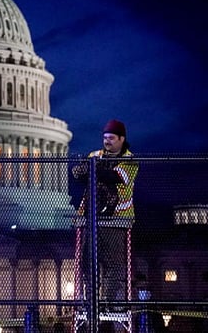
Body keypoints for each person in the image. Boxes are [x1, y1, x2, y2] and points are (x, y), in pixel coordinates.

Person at [70, 119, 138, 305]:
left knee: (113, 264)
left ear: (122, 139)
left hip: (116, 219)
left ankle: (106, 301)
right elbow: (79, 174)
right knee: (87, 261)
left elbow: (115, 177)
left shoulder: (130, 160)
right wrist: (88, 169)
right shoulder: (95, 155)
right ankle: (91, 298)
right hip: (92, 217)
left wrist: (94, 168)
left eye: (111, 138)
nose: (107, 141)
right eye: (105, 137)